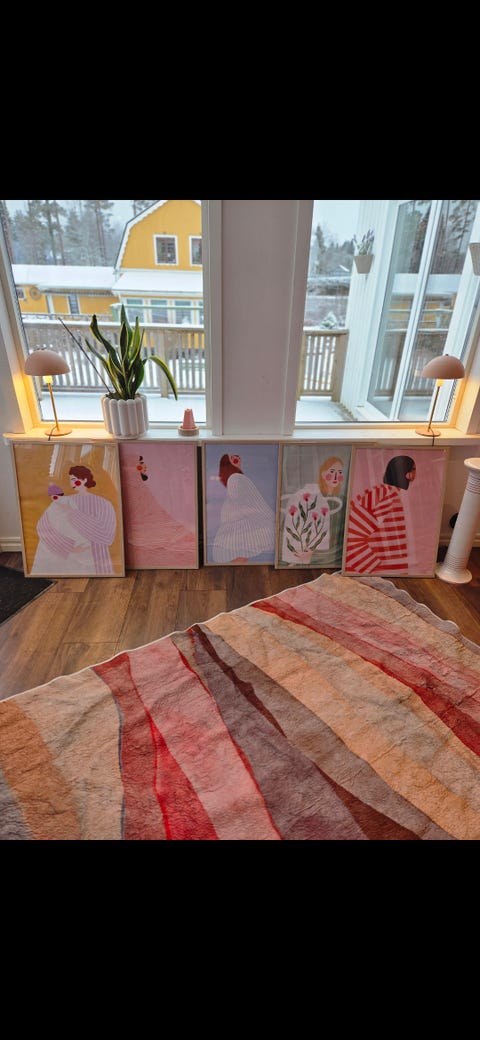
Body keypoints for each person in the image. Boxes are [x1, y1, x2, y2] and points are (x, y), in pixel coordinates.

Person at [344, 455, 416, 574]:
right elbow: (353, 535)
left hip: (383, 569)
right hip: (379, 571)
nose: (414, 474)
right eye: (413, 469)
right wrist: (373, 568)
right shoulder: (389, 496)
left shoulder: (383, 493)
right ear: (406, 473)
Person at [281, 455, 346, 566]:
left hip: (329, 558)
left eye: (340, 472)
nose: (336, 476)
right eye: (332, 471)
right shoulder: (310, 498)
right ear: (323, 474)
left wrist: (314, 553)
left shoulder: (342, 501)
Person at [212, 454, 276, 563]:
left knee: (240, 552)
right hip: (239, 519)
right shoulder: (235, 478)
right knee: (240, 550)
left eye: (236, 457)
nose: (237, 459)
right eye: (232, 458)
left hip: (239, 519)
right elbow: (237, 497)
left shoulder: (234, 478)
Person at [31, 482, 95, 574]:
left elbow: (75, 512)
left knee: (78, 548)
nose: (54, 498)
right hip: (57, 530)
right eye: (52, 496)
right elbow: (45, 523)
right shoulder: (52, 507)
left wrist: (70, 512)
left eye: (55, 496)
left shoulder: (66, 501)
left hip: (68, 527)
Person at [66, 465, 116, 574]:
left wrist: (74, 514)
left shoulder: (103, 503)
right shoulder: (66, 501)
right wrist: (69, 548)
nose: (71, 483)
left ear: (84, 480)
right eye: (70, 480)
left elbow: (108, 536)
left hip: (98, 557)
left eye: (74, 479)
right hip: (72, 559)